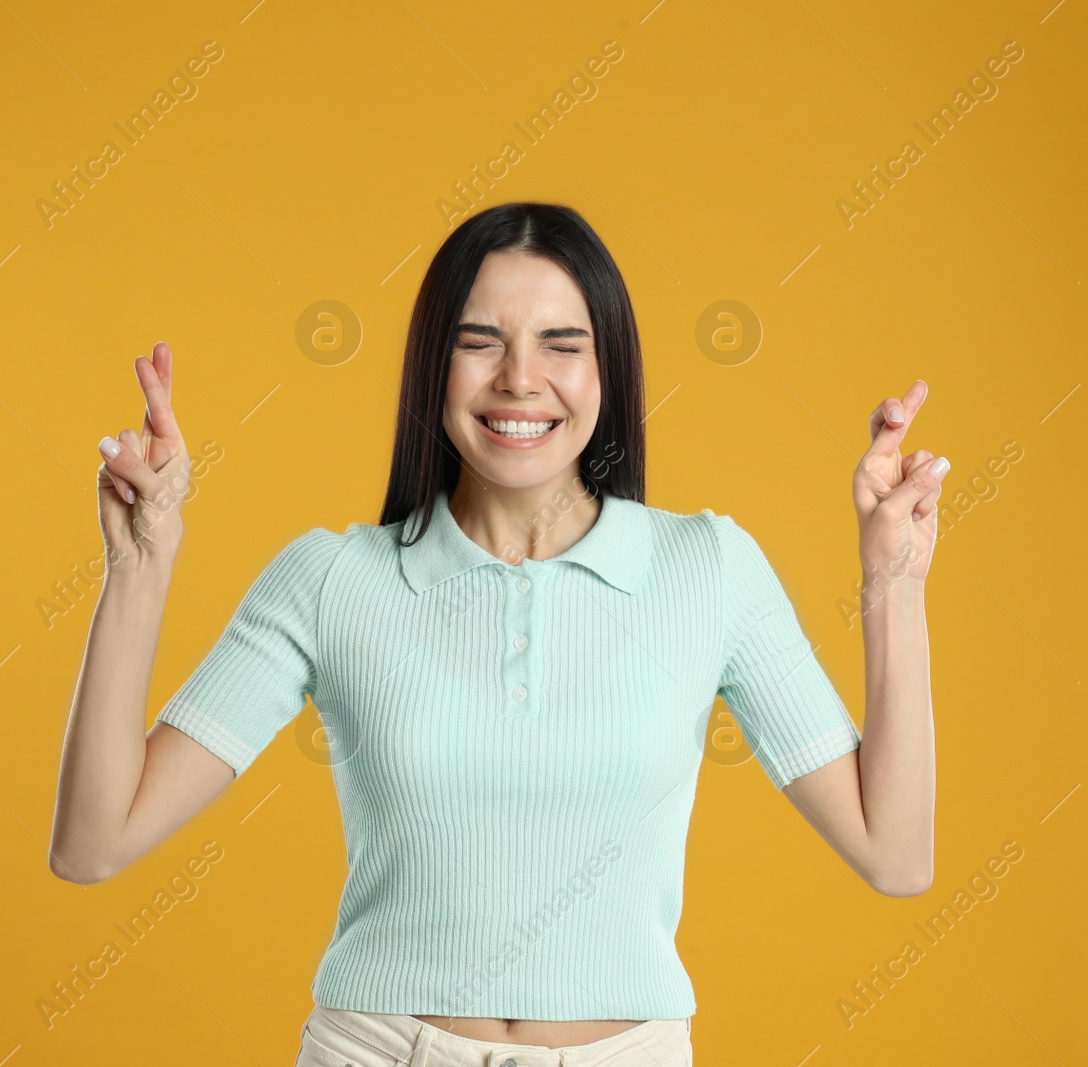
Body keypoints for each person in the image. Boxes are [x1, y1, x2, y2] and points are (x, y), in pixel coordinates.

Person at [48, 202, 946, 1066]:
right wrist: (138, 562)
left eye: (563, 344)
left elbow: (895, 853)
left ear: (609, 372)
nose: (520, 378)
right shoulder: (333, 580)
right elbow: (94, 842)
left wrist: (894, 580)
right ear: (432, 364)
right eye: (481, 342)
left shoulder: (707, 568)